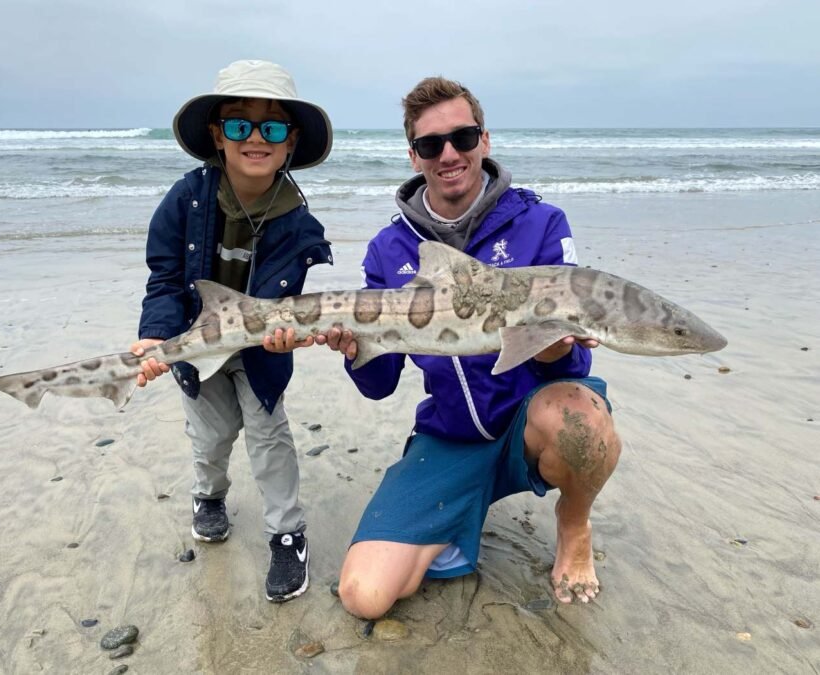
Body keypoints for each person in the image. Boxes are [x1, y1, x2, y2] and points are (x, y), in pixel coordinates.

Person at [321, 76, 621, 619]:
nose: (450, 154)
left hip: (530, 421)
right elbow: (379, 384)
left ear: (484, 139)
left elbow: (576, 362)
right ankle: (461, 511)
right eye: (432, 145)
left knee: (579, 419)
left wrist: (551, 346)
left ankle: (574, 526)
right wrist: (351, 347)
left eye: (462, 137)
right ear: (415, 156)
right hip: (451, 435)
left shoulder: (539, 224)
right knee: (364, 596)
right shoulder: (391, 250)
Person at [130, 60, 334, 603]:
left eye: (271, 127)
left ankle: (287, 534)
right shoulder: (184, 199)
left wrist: (289, 334)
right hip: (200, 339)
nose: (255, 138)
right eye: (240, 125)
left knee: (270, 438)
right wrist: (156, 336)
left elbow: (287, 304)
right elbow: (166, 276)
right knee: (212, 434)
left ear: (290, 142)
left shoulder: (300, 224)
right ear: (218, 136)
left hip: (261, 348)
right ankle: (209, 496)